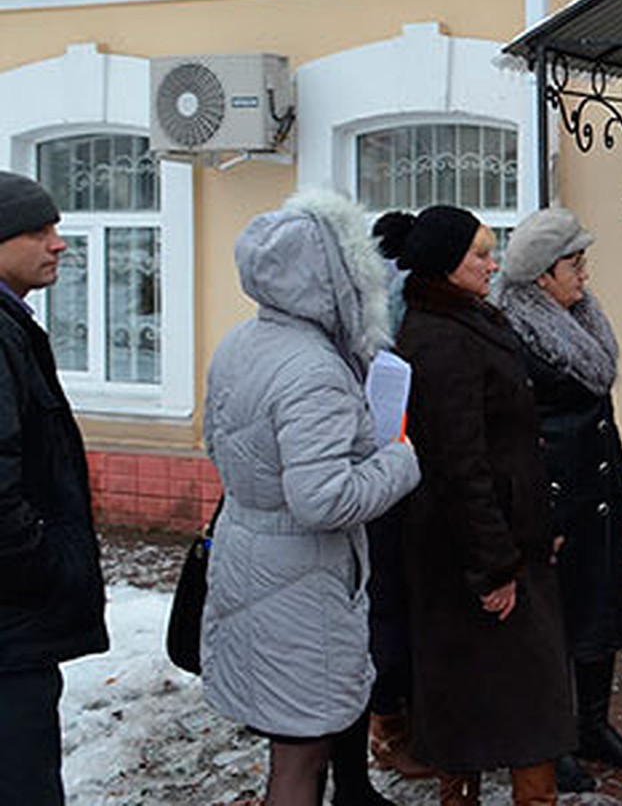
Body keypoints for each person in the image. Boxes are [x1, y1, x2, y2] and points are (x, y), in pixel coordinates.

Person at [201, 189, 422, 806]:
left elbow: (218, 449)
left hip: (254, 563)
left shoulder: (241, 343)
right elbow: (322, 500)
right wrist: (401, 461)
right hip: (302, 581)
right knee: (299, 763)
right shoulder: (314, 368)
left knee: (292, 740)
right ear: (329, 277)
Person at [377, 205, 573, 805]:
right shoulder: (439, 338)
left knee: (482, 712)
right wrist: (495, 569)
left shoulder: (463, 318)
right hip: (474, 561)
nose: (494, 265)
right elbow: (458, 465)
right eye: (481, 255)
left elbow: (504, 445)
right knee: (516, 713)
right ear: (445, 265)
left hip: (497, 546)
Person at [495, 208, 622, 794]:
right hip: (555, 501)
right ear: (542, 277)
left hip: (600, 491)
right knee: (553, 632)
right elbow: (513, 438)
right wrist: (536, 515)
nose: (584, 274)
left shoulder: (578, 318)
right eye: (574, 264)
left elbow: (601, 417)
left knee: (600, 618)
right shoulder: (514, 336)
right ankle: (552, 742)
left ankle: (593, 727)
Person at [0, 171, 108, 806]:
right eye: (38, 230)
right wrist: (44, 563)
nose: (59, 242)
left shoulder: (12, 325)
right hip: (12, 619)